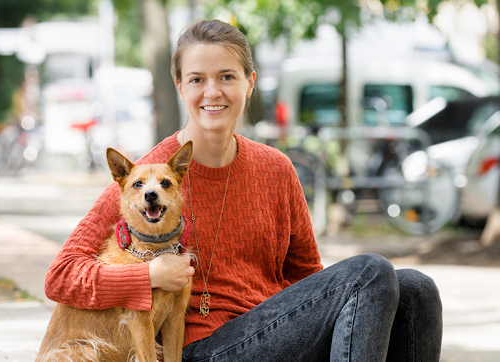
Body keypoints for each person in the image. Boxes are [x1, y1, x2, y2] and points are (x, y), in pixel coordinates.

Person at [44, 19, 442, 362]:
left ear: (249, 83)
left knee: (415, 289)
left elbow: (308, 278)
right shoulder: (151, 176)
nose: (212, 92)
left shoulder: (277, 168)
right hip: (202, 347)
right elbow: (61, 276)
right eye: (197, 79)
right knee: (369, 271)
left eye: (227, 77)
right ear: (180, 86)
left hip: (273, 330)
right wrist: (147, 275)